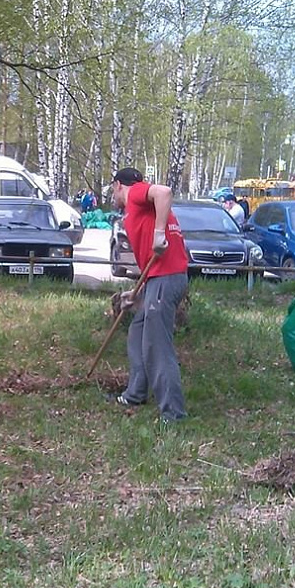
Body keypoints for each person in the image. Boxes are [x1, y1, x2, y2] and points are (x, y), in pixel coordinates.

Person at [110, 167, 190, 422]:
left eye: (113, 190)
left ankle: (173, 414)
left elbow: (165, 191)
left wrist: (158, 234)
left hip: (166, 279)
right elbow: (151, 263)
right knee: (138, 330)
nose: (114, 196)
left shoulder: (135, 194)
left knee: (157, 345)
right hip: (160, 279)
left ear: (118, 186)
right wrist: (137, 294)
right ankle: (135, 393)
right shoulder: (139, 208)